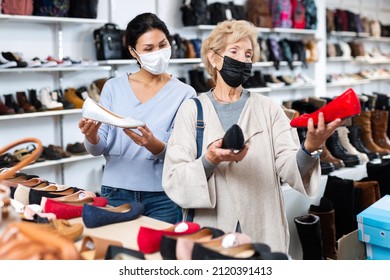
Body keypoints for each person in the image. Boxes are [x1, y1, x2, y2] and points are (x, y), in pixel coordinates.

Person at [162, 20, 343, 254]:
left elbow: (289, 168)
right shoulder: (192, 111)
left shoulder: (269, 109)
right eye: (234, 51)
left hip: (263, 227)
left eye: (248, 54)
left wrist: (310, 147)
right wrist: (210, 159)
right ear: (214, 58)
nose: (243, 60)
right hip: (212, 230)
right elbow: (175, 179)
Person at [79, 12, 196, 224]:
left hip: (164, 197)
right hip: (115, 193)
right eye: (149, 49)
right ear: (133, 52)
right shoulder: (113, 88)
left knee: (161, 254)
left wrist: (155, 146)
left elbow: (184, 155)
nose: (158, 53)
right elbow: (96, 150)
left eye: (162, 45)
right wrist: (92, 137)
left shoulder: (185, 93)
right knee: (118, 253)